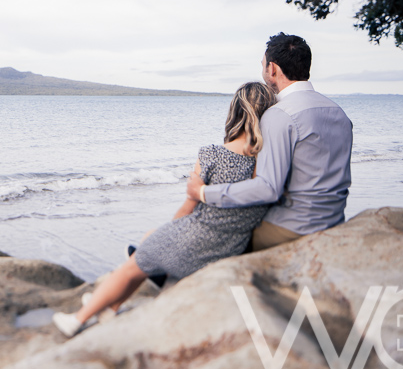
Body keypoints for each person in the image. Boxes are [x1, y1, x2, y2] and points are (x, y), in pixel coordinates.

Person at [53, 82, 277, 338]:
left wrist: (170, 231)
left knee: (136, 260)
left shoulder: (211, 154)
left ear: (235, 112)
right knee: (150, 241)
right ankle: (111, 306)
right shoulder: (267, 170)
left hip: (197, 243)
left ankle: (77, 319)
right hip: (229, 248)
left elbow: (189, 206)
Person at [186, 32, 353, 251]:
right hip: (333, 221)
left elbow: (268, 188)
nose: (263, 71)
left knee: (222, 234)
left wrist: (203, 193)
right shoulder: (338, 112)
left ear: (272, 69)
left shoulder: (280, 114)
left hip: (292, 228)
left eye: (263, 65)